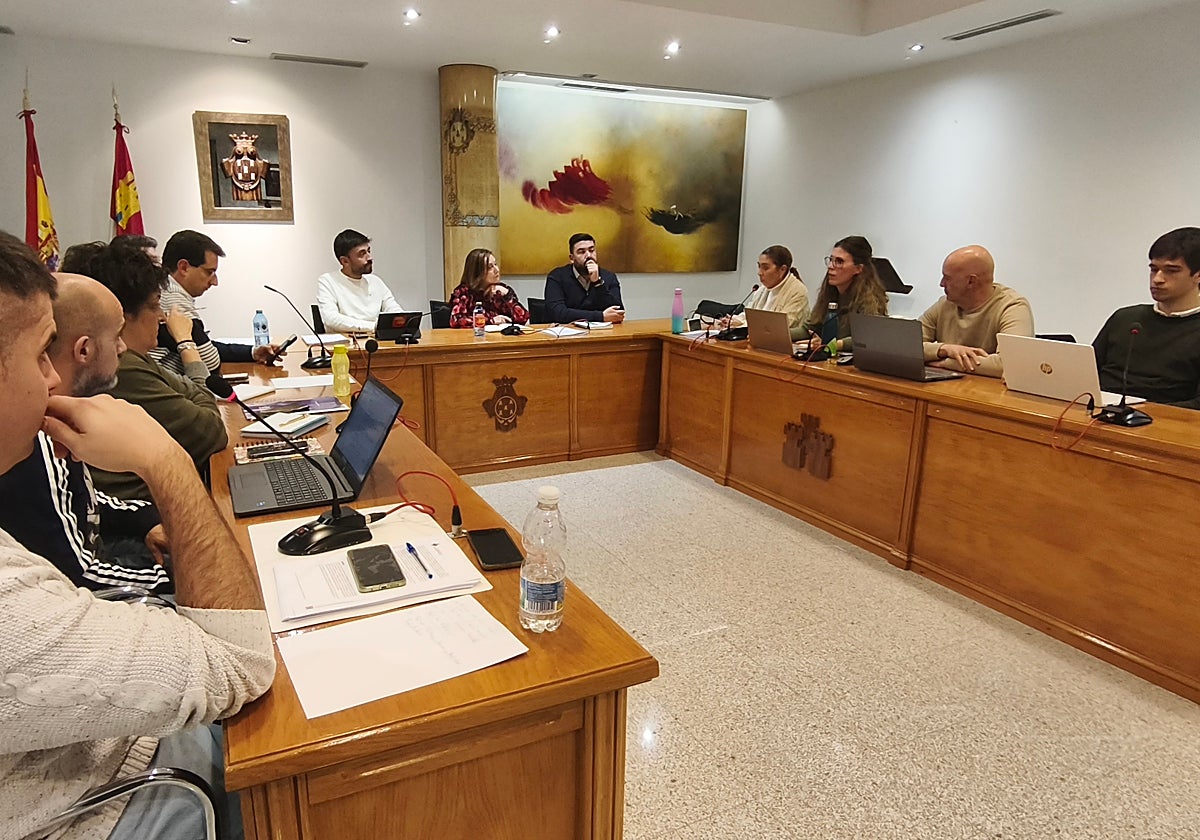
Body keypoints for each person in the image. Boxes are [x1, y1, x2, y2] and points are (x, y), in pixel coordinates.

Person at [0, 230, 274, 840]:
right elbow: (240, 661)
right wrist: (166, 461)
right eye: (39, 353)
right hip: (129, 792)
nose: (52, 379)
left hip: (110, 748)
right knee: (290, 740)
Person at [0, 273, 170, 591]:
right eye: (117, 336)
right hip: (90, 586)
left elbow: (83, 502)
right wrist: (180, 578)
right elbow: (79, 578)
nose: (123, 348)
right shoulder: (32, 443)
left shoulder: (63, 416)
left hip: (100, 558)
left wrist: (147, 520)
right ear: (84, 350)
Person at [87, 244, 229, 501]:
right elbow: (211, 431)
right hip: (150, 511)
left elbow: (197, 391)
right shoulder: (122, 368)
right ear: (122, 314)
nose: (162, 317)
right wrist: (185, 341)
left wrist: (198, 393)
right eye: (154, 306)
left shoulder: (136, 358)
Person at [150, 229, 284, 376]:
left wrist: (252, 353)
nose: (215, 282)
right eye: (209, 272)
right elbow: (210, 363)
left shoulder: (166, 289)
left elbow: (205, 348)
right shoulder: (174, 301)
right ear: (184, 267)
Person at [1092, 227, 1200, 409]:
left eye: (1171, 271)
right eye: (1154, 269)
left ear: (1198, 276)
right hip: (1099, 415)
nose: (1158, 279)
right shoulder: (1125, 318)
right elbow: (1085, 376)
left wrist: (1140, 411)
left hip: (1164, 426)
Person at [919, 245, 1033, 377]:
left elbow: (1011, 364)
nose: (941, 283)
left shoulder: (1012, 307)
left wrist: (947, 363)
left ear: (971, 282)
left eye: (947, 278)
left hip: (989, 394)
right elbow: (905, 347)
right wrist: (943, 349)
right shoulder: (944, 304)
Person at [805, 235, 889, 349]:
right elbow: (810, 327)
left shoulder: (871, 299)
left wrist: (831, 345)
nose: (830, 266)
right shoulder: (829, 291)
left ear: (858, 268)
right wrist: (777, 334)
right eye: (831, 260)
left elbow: (867, 338)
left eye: (839, 262)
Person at [316, 228, 405, 333]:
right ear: (345, 261)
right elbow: (331, 319)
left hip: (378, 343)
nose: (369, 258)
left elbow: (394, 310)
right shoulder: (328, 281)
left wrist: (402, 321)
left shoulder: (375, 281)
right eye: (362, 254)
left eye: (368, 251)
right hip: (345, 346)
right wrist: (374, 327)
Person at [725, 245, 810, 338]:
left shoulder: (798, 291)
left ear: (782, 269)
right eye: (759, 266)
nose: (759, 272)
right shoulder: (762, 289)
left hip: (780, 347)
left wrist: (741, 325)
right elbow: (749, 315)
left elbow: (779, 327)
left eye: (765, 268)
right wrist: (732, 321)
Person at [544, 232, 625, 324]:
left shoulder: (609, 277)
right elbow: (558, 313)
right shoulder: (557, 276)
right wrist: (600, 316)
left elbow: (618, 312)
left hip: (601, 333)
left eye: (591, 250)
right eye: (581, 252)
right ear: (572, 258)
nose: (588, 256)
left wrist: (597, 283)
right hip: (567, 334)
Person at [449, 248, 530, 328]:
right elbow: (456, 320)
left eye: (495, 264)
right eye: (490, 267)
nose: (497, 270)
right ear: (478, 272)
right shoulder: (464, 292)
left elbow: (523, 318)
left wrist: (507, 296)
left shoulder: (502, 290)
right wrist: (491, 320)